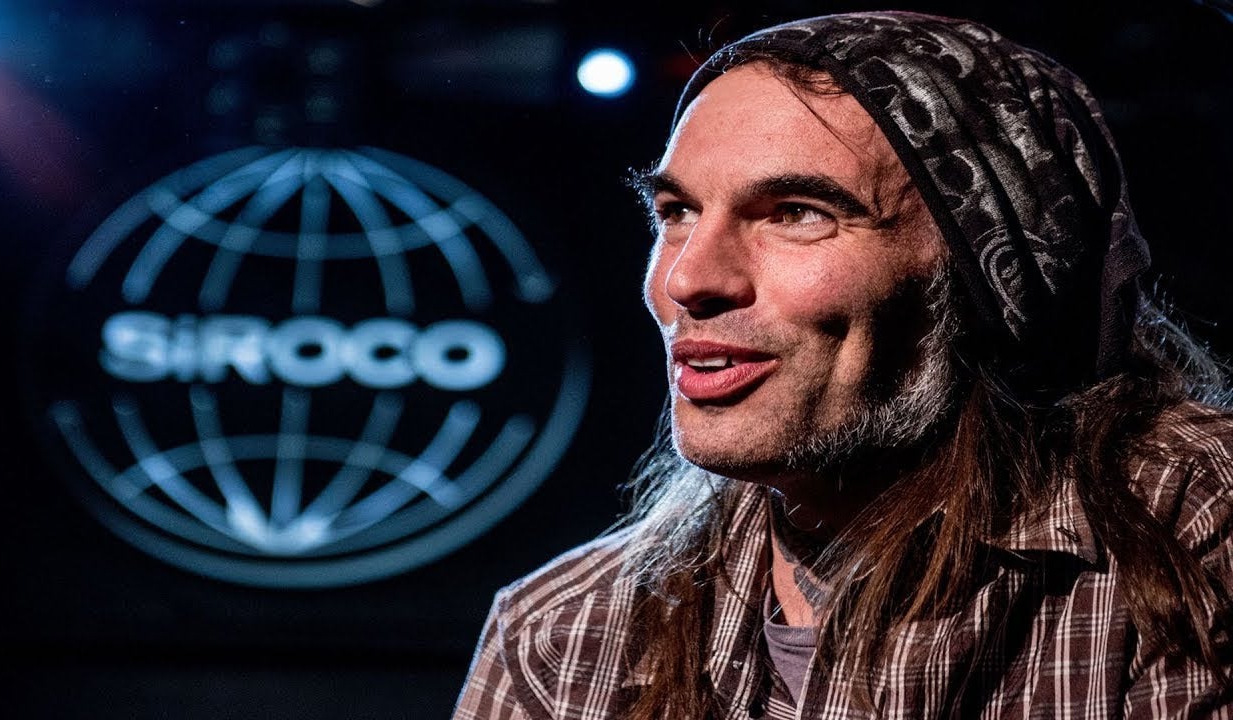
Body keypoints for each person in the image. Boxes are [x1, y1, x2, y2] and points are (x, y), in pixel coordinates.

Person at [452, 11, 1233, 719]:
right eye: (678, 212)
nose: (689, 278)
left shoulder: (1190, 529)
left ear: (995, 271)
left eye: (795, 213)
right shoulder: (562, 637)